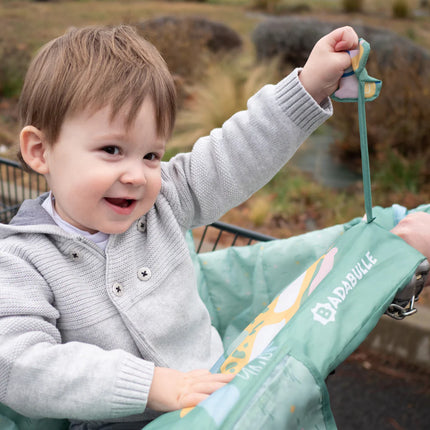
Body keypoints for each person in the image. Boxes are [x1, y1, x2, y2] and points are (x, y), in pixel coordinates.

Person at [0, 24, 358, 429]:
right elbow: (19, 363)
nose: (137, 175)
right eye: (112, 150)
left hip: (221, 397)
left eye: (151, 154)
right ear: (39, 150)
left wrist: (309, 87)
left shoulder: (163, 201)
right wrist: (151, 385)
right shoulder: (21, 260)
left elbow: (233, 154)